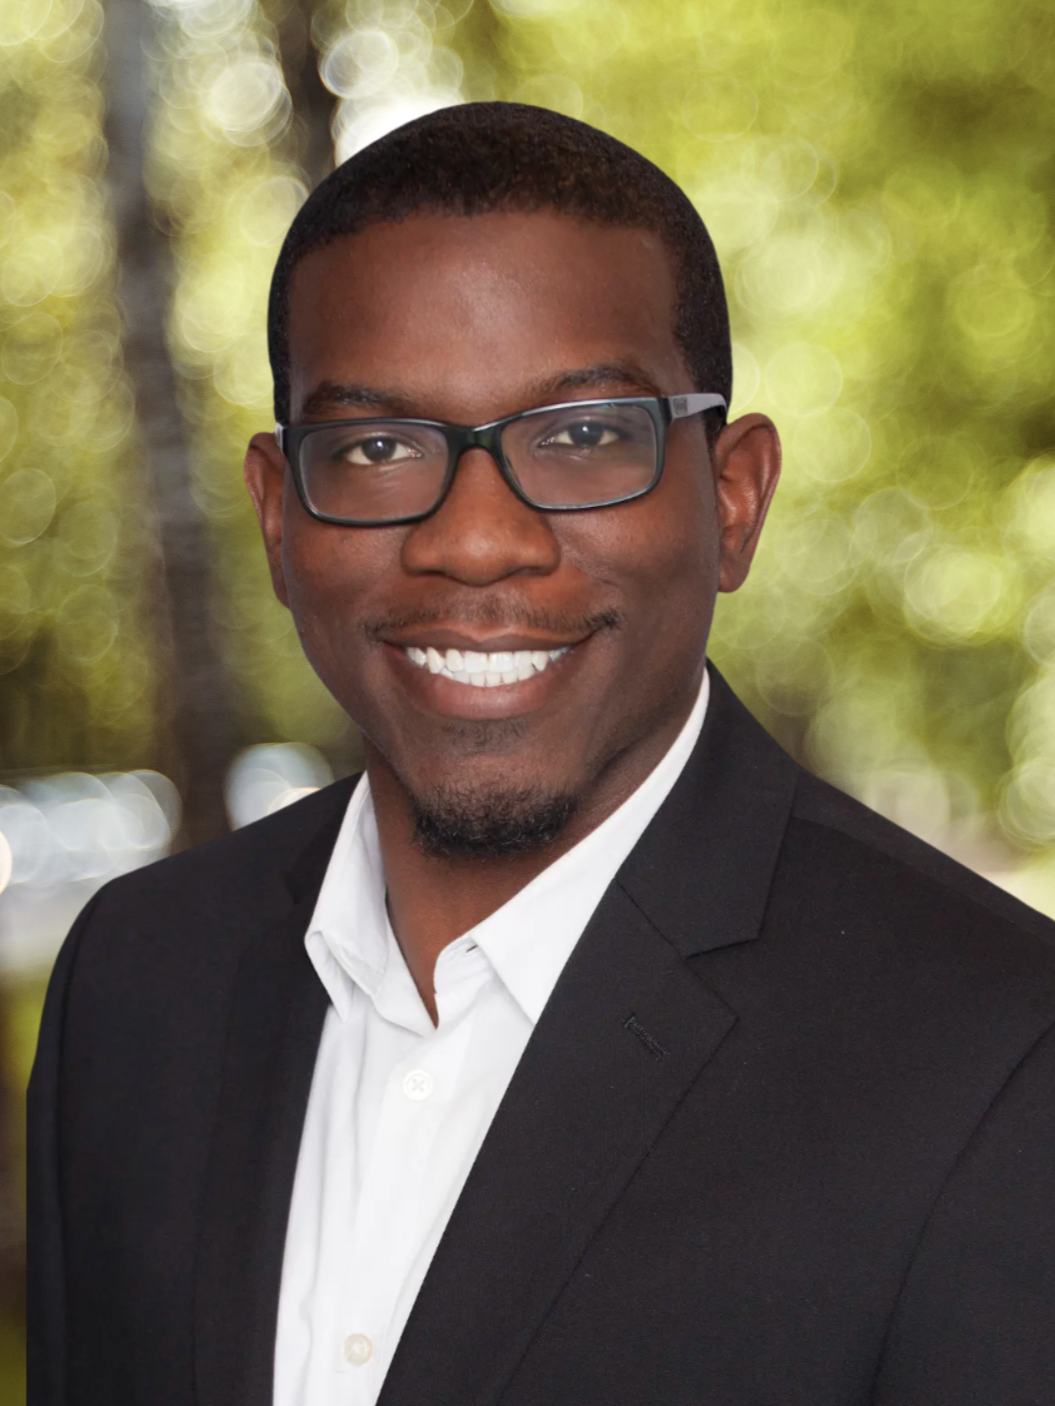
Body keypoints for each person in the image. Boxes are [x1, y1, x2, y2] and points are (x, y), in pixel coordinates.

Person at [29, 103, 1055, 1406]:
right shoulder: (134, 983)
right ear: (280, 519)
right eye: (378, 447)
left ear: (733, 497)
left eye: (581, 436)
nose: (474, 541)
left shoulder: (1001, 1061)